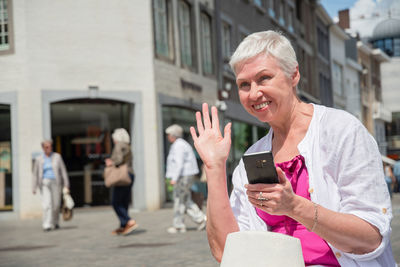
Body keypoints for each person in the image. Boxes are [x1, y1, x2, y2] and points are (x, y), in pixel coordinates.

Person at [190, 31, 396, 266]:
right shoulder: (251, 159)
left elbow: (371, 238)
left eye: (264, 78)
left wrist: (295, 206)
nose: (254, 93)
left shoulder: (341, 131)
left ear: (294, 74)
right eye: (244, 84)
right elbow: (226, 252)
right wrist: (214, 167)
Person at [165, 124, 207, 234]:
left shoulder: (178, 146)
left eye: (168, 134)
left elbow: (179, 163)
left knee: (179, 199)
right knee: (185, 199)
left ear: (173, 135)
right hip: (186, 176)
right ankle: (201, 219)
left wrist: (174, 178)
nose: (167, 137)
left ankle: (178, 225)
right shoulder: (181, 144)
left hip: (182, 176)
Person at [105, 128, 138, 235]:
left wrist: (111, 162)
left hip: (122, 176)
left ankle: (129, 221)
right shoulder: (128, 145)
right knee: (124, 202)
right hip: (130, 174)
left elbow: (118, 160)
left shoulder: (119, 145)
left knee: (116, 202)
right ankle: (124, 226)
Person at [32, 140, 70, 231]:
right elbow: (35, 174)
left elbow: (63, 171)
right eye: (46, 147)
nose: (49, 148)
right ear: (43, 148)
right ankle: (46, 224)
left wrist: (66, 184)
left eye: (50, 146)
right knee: (47, 204)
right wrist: (34, 187)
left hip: (56, 182)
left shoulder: (57, 157)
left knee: (56, 204)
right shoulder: (39, 159)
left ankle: (55, 222)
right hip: (44, 182)